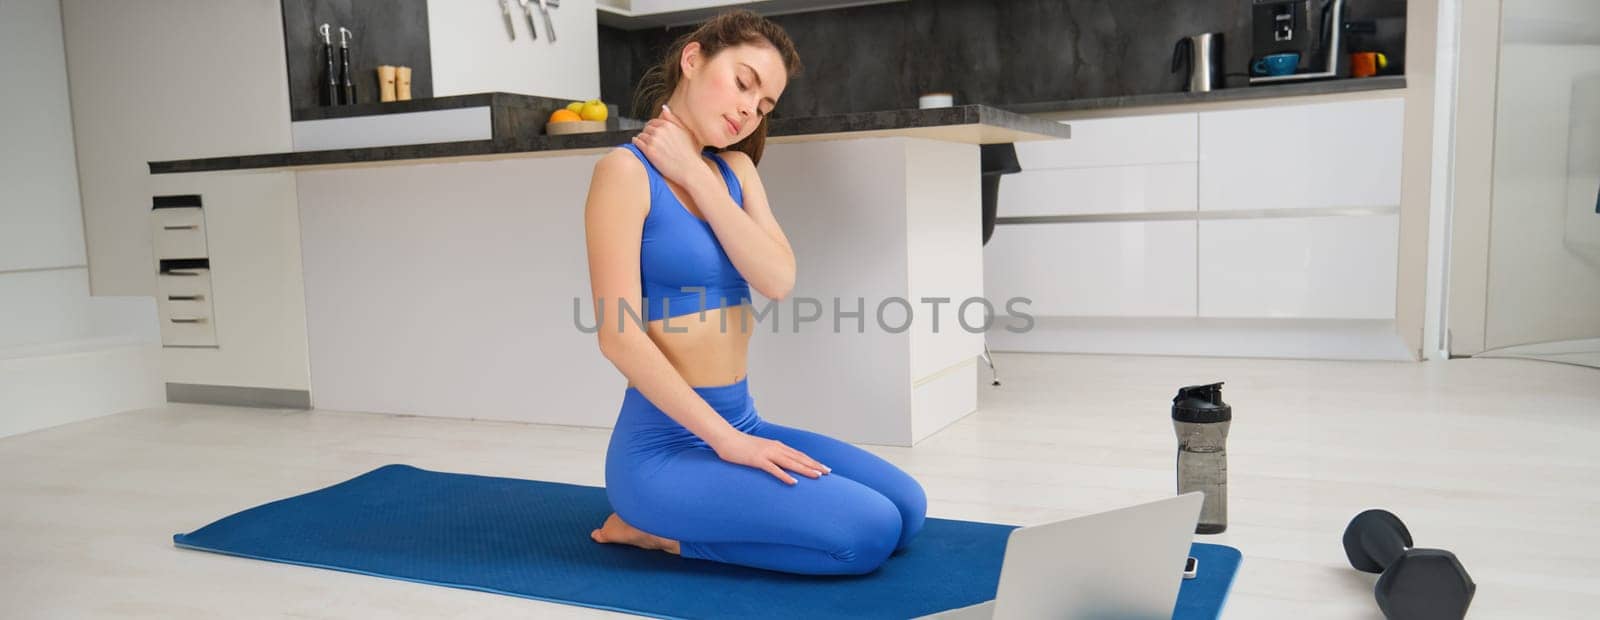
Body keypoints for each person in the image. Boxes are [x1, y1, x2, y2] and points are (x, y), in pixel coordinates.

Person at [582, 9, 926, 576]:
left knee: (908, 510)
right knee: (869, 534)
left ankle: (684, 515)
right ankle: (656, 533)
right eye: (744, 83)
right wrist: (726, 444)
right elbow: (617, 336)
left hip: (744, 422)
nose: (749, 109)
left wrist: (695, 174)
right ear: (693, 59)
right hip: (662, 452)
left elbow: (777, 279)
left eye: (765, 105)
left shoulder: (737, 171)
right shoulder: (624, 172)